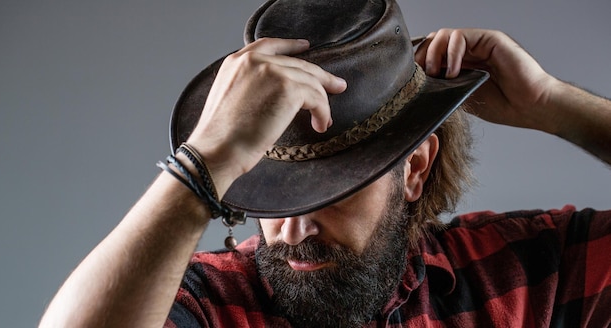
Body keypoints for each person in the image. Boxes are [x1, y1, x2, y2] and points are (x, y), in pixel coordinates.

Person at [39, 1, 611, 327]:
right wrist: (204, 164)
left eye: (331, 186)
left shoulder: (515, 275)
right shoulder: (209, 305)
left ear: (414, 170)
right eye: (270, 189)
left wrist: (555, 106)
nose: (292, 229)